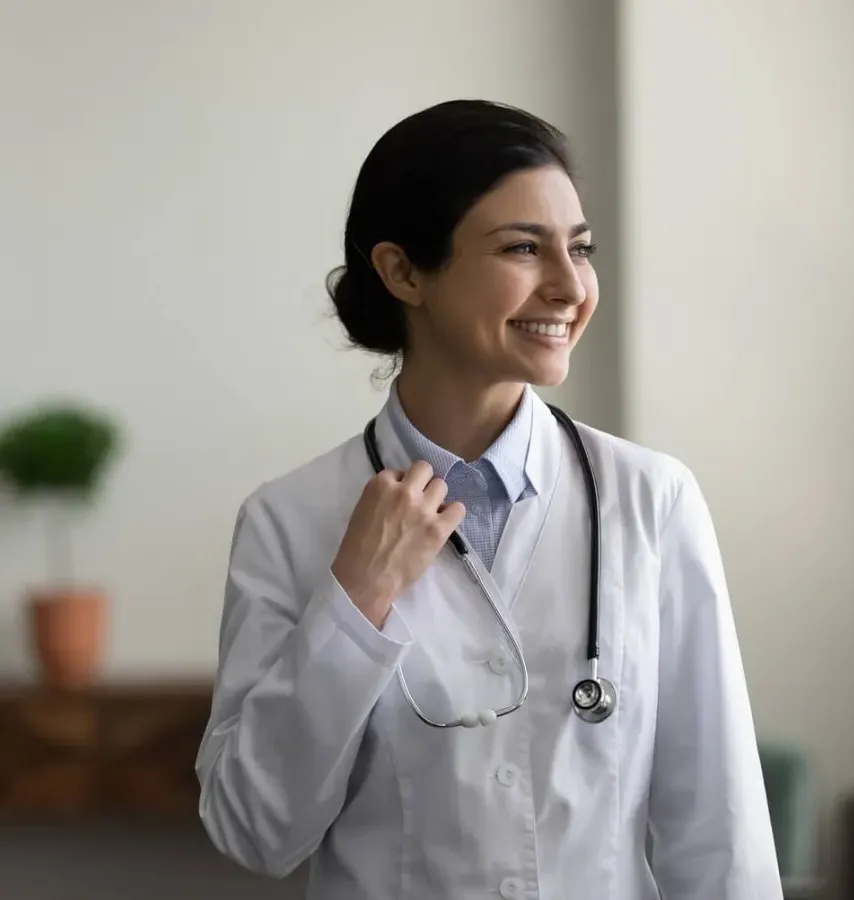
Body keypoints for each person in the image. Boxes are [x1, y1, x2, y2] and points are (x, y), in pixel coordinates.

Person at [195, 99, 782, 900]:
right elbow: (254, 831)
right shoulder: (289, 521)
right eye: (522, 248)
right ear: (403, 271)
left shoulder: (652, 500)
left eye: (580, 249)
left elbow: (720, 836)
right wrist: (353, 603)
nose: (571, 287)